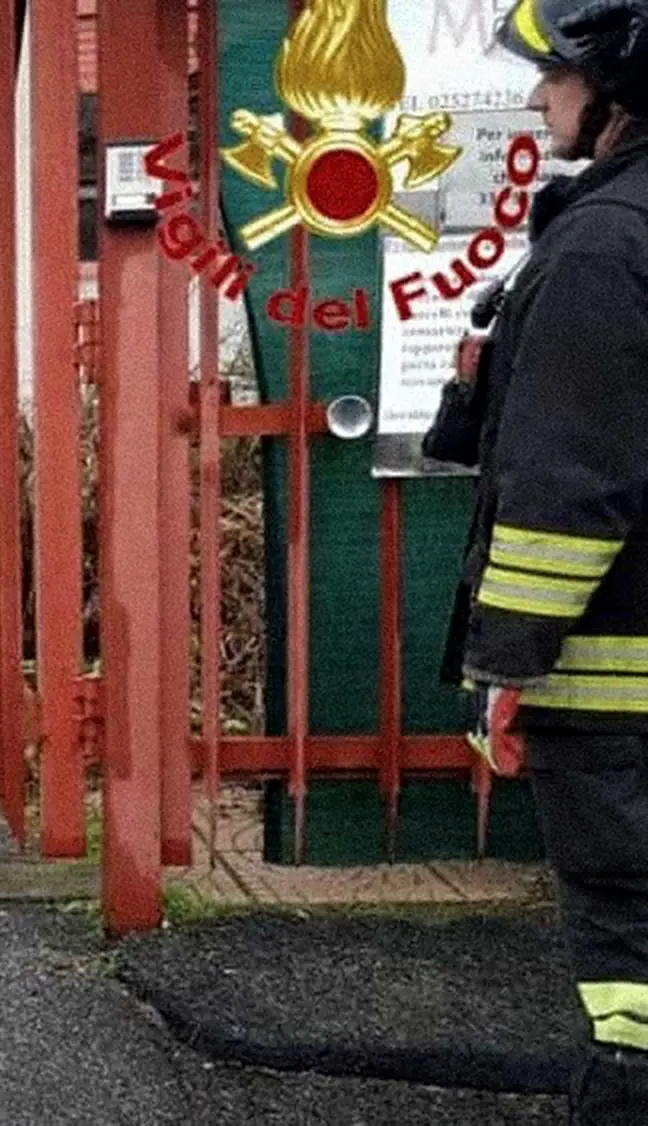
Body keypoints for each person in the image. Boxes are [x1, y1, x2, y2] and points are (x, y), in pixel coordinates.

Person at [442, 2, 648, 1118]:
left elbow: (565, 492)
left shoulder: (602, 246)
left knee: (624, 922)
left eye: (555, 75)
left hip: (610, 680)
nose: (536, 96)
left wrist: (503, 667)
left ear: (618, 86)